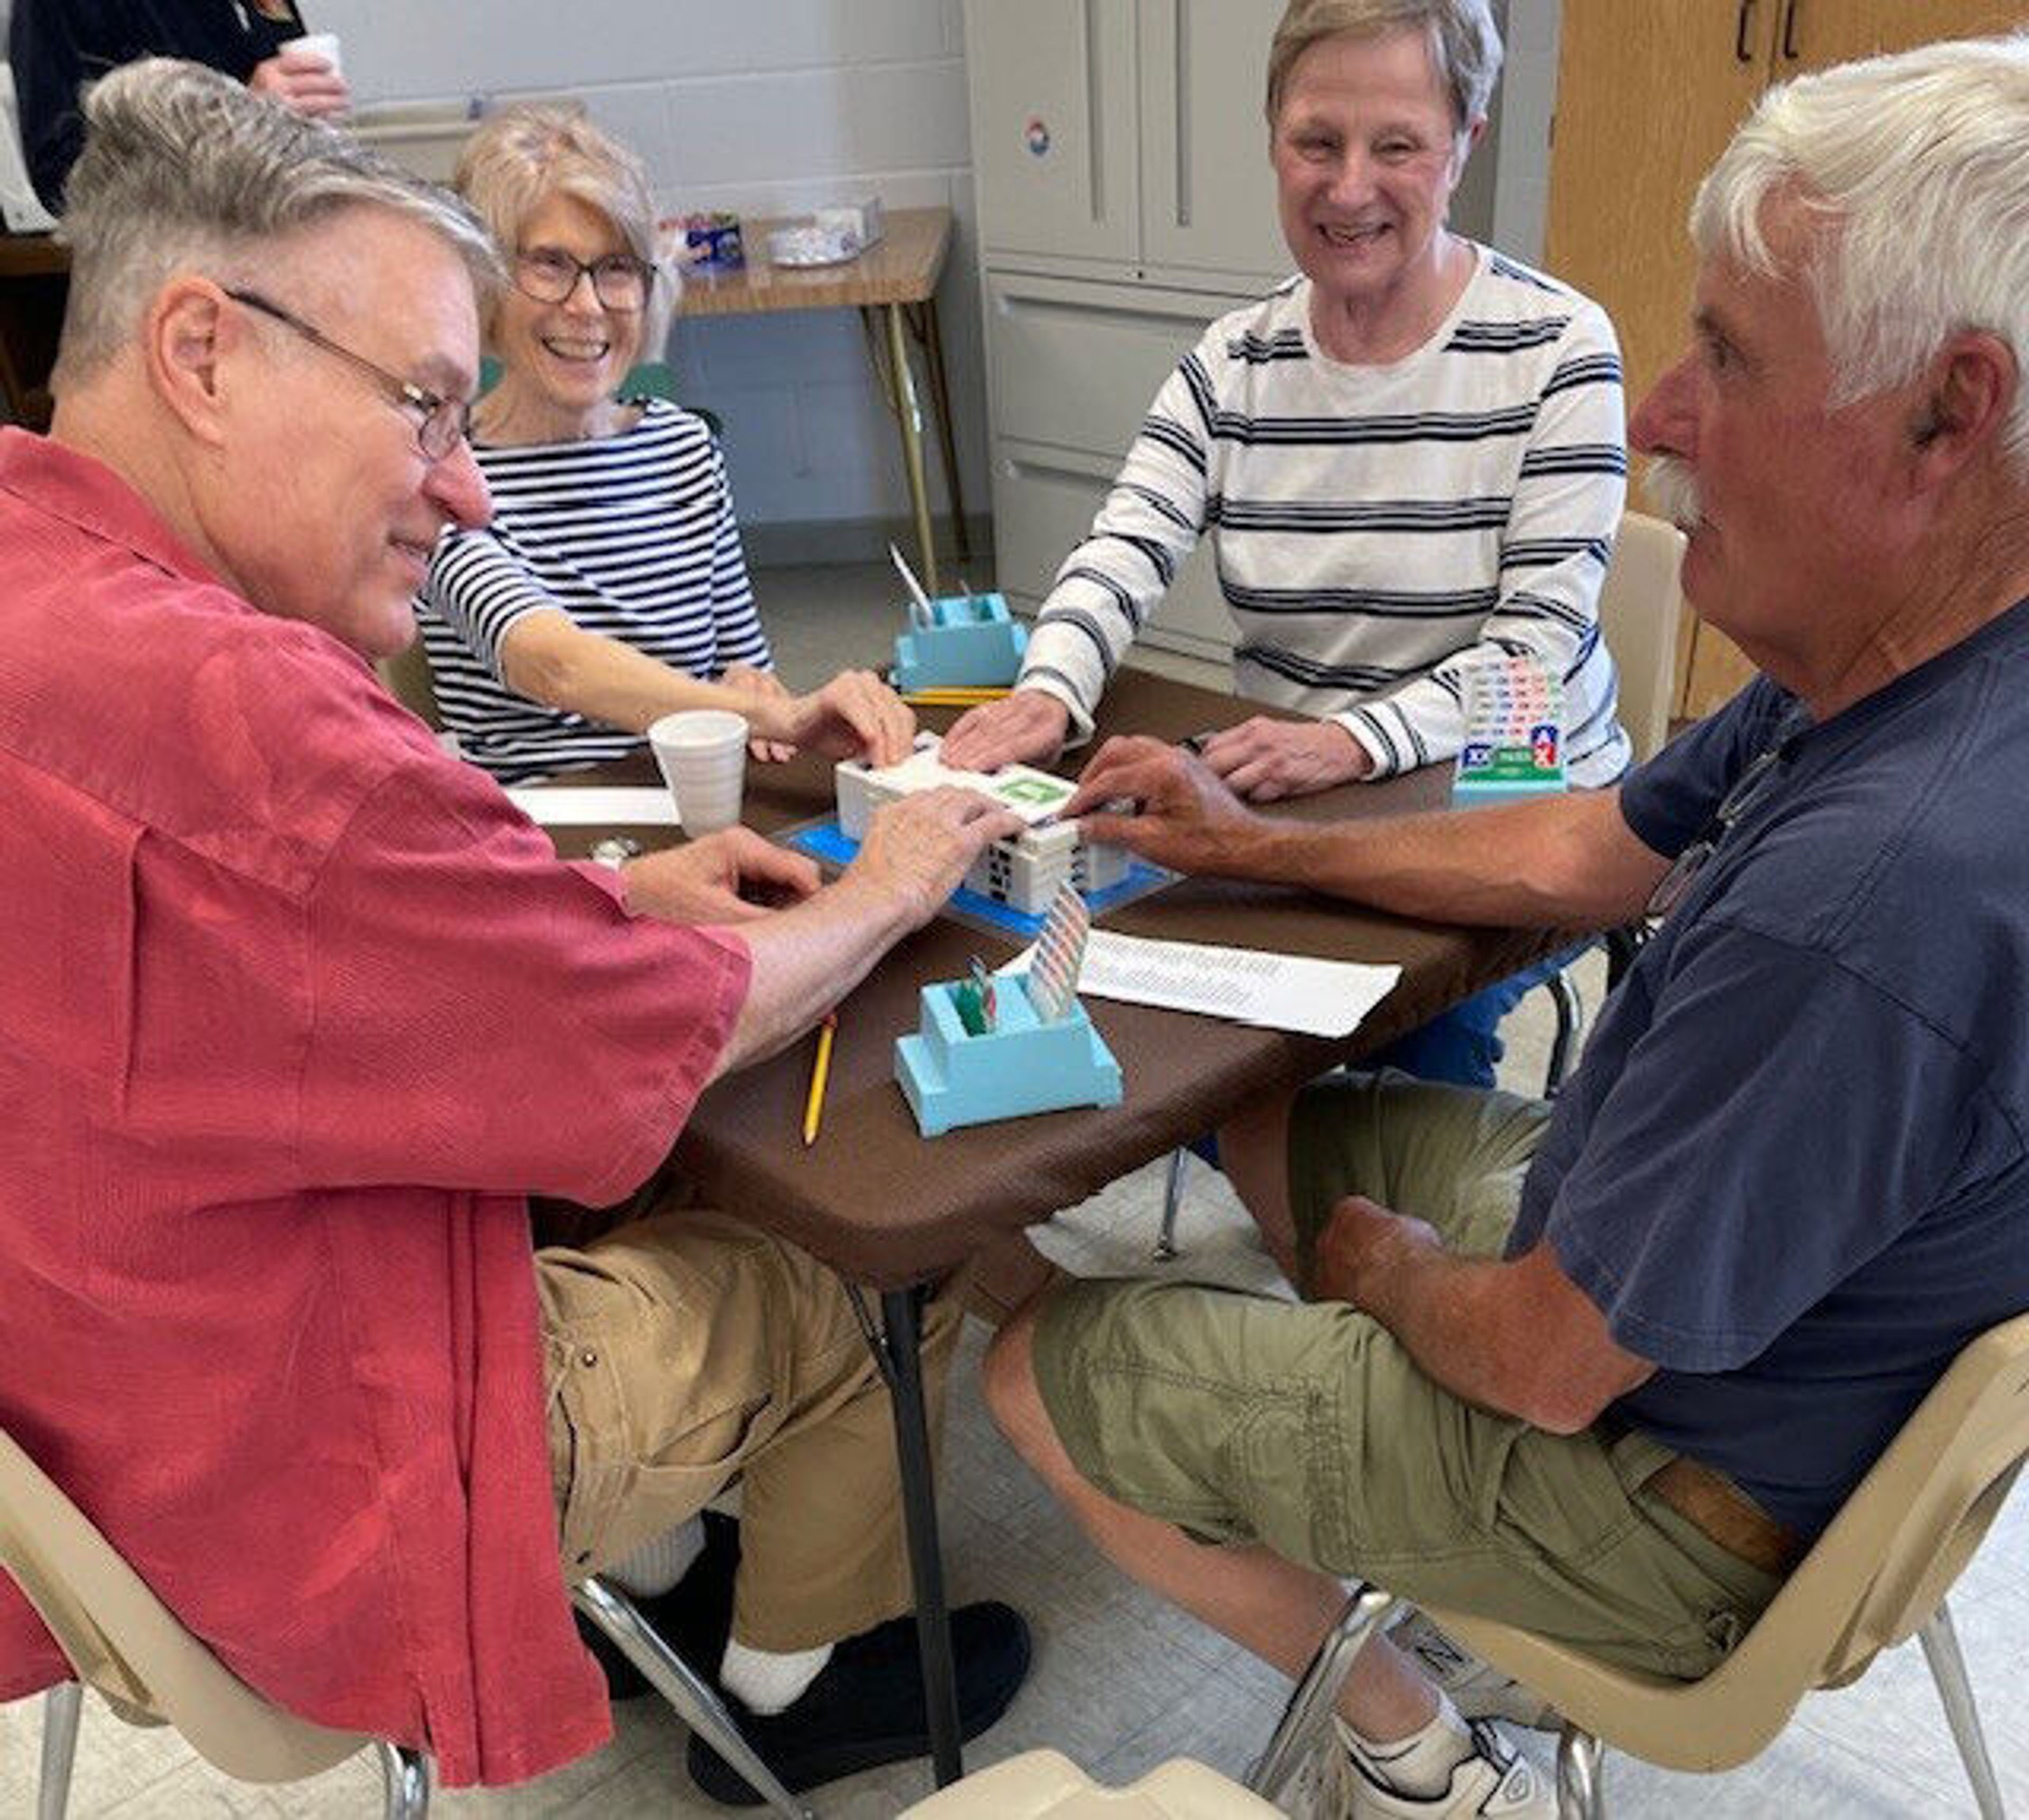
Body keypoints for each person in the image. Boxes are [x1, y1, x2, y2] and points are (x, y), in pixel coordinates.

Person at [984, 33, 2029, 1820]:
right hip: (1735, 1340)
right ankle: (1384, 1517)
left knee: (1032, 1361)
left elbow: (1546, 1368)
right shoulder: (1904, 670)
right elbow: (1587, 856)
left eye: (1730, 355)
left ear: (1953, 408)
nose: (1664, 419)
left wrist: (1380, 1271)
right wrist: (1263, 841)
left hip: (1663, 1485)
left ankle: (1404, 1744)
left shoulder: (1871, 898)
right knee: (1281, 1118)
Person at [0, 59, 1031, 1804]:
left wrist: (608, 898)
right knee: (889, 1253)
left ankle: (668, 1572)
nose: (465, 488)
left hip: (72, 1436)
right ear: (201, 353)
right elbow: (680, 1023)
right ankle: (790, 1682)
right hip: (310, 1478)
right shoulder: (251, 712)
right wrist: (895, 880)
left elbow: (266, 949)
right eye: (422, 407)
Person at [943, 0, 1627, 805]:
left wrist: (1348, 744)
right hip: (1301, 780)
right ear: (1273, 141)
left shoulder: (1560, 347)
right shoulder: (1234, 361)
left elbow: (1535, 656)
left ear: (1465, 146)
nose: (1349, 188)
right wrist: (1050, 689)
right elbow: (1122, 550)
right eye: (1317, 142)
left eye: (1398, 146)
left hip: (1506, 782)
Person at [416, 104, 913, 785]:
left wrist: (754, 687)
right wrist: (781, 716)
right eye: (550, 265)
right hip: (548, 832)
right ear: (485, 284)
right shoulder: (442, 472)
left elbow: (743, 665)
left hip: (695, 798)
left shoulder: (684, 449)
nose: (588, 306)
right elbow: (555, 663)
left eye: (617, 269)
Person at [10, 0, 349, 212]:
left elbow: (284, 99)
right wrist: (235, 122)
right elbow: (62, 177)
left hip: (279, 239)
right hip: (166, 272)